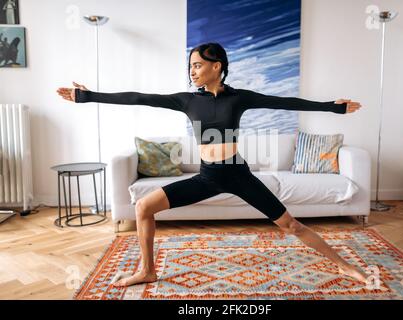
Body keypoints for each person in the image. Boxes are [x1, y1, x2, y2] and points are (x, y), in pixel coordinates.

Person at [57, 42, 366, 288]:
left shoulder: (239, 98)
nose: (192, 71)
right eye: (190, 66)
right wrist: (86, 96)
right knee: (143, 207)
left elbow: (285, 102)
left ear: (216, 66)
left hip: (239, 176)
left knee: (292, 225)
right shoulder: (187, 100)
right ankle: (146, 270)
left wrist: (334, 109)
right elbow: (139, 97)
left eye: (197, 64)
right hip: (207, 178)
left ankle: (344, 264)